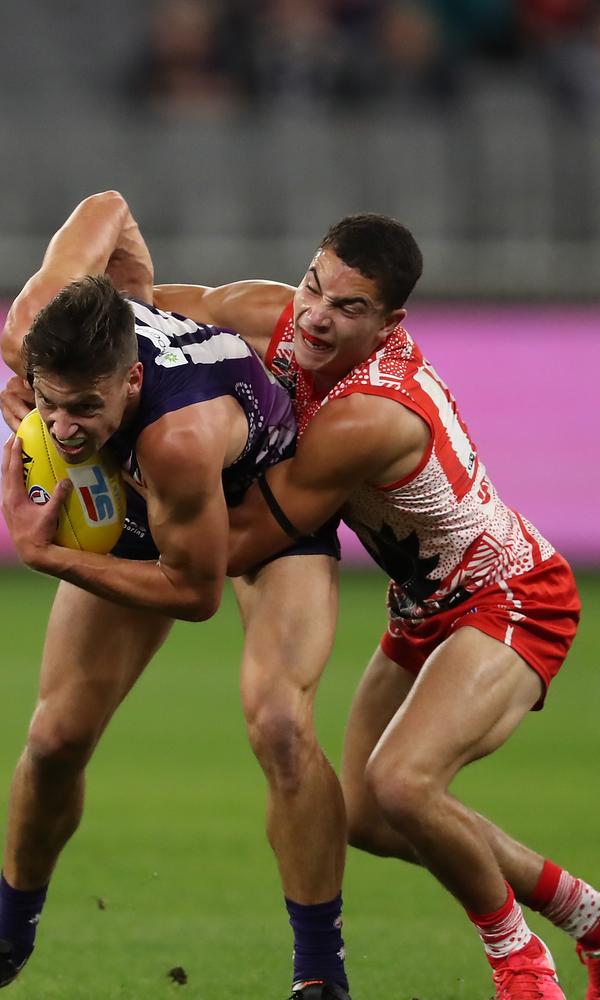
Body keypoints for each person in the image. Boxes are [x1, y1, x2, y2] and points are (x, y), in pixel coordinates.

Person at [150, 213, 600, 1000]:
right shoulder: (275, 316)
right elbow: (143, 314)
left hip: (511, 596)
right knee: (368, 815)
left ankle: (521, 966)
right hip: (422, 609)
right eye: (316, 284)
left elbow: (241, 543)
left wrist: (107, 520)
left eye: (350, 307)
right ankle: (599, 921)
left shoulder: (370, 412)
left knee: (404, 783)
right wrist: (54, 341)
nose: (317, 314)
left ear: (390, 323)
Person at [0, 191, 351, 1000]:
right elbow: (110, 206)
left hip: (260, 504)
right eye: (45, 401)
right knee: (53, 738)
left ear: (129, 381)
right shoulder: (31, 331)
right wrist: (138, 290)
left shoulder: (178, 435)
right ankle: (9, 933)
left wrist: (44, 555)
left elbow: (193, 591)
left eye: (85, 407)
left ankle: (319, 974)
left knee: (279, 727)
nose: (60, 429)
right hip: (148, 502)